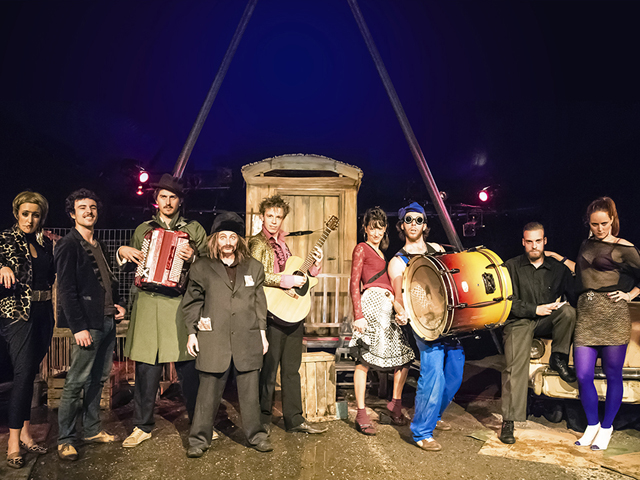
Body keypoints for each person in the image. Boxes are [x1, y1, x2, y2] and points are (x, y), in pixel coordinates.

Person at [117, 173, 208, 448]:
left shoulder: (194, 229)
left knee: (188, 367)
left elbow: (209, 267)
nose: (168, 202)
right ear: (156, 200)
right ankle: (142, 426)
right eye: (163, 197)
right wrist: (123, 252)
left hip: (178, 303)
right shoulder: (143, 229)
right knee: (146, 369)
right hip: (147, 303)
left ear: (180, 201)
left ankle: (200, 423)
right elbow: (132, 259)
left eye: (173, 197)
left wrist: (194, 257)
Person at [549, 197, 640, 450]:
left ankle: (606, 428)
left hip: (613, 315)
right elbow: (583, 273)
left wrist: (630, 295)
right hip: (587, 315)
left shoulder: (624, 247)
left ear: (612, 221)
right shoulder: (586, 243)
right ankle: (592, 425)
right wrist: (557, 256)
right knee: (583, 374)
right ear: (588, 223)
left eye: (604, 224)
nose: (599, 229)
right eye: (594, 224)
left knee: (613, 375)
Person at [182, 212, 272, 457]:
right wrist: (191, 333)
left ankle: (257, 436)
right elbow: (192, 303)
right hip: (214, 338)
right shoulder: (201, 267)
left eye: (233, 237)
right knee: (207, 394)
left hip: (247, 337)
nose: (228, 242)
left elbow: (259, 304)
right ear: (215, 239)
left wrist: (262, 334)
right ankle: (198, 440)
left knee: (250, 394)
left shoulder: (254, 268)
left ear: (239, 240)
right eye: (223, 237)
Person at [387, 202, 465, 452]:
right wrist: (400, 312)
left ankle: (434, 414)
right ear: (401, 225)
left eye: (418, 220)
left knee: (455, 372)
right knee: (433, 373)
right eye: (408, 220)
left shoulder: (438, 249)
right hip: (424, 322)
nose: (413, 224)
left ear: (425, 225)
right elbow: (399, 295)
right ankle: (422, 432)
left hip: (449, 319)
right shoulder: (398, 261)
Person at [55, 189, 125, 461]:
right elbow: (66, 291)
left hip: (106, 320)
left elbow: (106, 282)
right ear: (72, 213)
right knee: (76, 381)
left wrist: (118, 304)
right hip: (88, 325)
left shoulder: (99, 244)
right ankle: (65, 439)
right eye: (82, 207)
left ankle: (92, 430)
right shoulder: (68, 244)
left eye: (92, 207)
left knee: (98, 379)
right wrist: (78, 327)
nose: (88, 211)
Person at [249, 194, 327, 434]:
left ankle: (294, 419)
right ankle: (262, 419)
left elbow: (294, 273)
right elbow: (258, 275)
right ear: (262, 217)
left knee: (292, 369)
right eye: (270, 216)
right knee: (269, 369)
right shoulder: (257, 243)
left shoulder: (283, 244)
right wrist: (287, 281)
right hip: (271, 311)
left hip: (292, 311)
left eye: (278, 217)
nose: (274, 221)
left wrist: (314, 267)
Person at [499, 222, 576, 445]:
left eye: (538, 241)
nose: (534, 246)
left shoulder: (557, 269)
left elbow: (578, 284)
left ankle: (558, 357)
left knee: (568, 312)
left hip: (546, 319)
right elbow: (506, 301)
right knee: (514, 366)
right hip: (519, 321)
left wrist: (561, 258)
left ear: (545, 241)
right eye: (530, 241)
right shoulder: (510, 266)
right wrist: (534, 309)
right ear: (523, 242)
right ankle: (509, 420)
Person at [0, 191, 55, 468]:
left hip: (44, 313)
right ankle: (13, 443)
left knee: (30, 373)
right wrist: (1, 266)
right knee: (22, 375)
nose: (29, 220)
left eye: (35, 215)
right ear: (16, 214)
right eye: (25, 214)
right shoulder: (4, 239)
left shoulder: (45, 243)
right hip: (17, 314)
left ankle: (25, 432)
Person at [348, 207, 414, 435]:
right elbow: (354, 282)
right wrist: (358, 315)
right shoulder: (361, 248)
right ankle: (361, 413)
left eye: (380, 228)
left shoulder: (383, 254)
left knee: (404, 357)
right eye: (372, 228)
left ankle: (395, 404)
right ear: (365, 228)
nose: (376, 232)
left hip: (388, 309)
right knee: (364, 359)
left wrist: (398, 306)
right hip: (371, 305)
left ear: (385, 229)